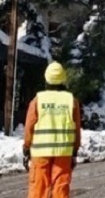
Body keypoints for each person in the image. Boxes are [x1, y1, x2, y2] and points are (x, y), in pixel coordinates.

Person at [23, 62, 81, 198]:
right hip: (63, 152)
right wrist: (75, 150)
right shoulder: (71, 101)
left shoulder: (38, 100)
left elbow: (29, 126)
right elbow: (77, 129)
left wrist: (26, 147)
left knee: (39, 188)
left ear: (46, 78)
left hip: (40, 153)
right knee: (60, 188)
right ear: (63, 79)